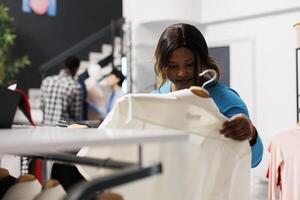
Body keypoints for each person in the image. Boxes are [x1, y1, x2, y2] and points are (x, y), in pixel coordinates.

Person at [153, 23, 263, 168]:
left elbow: (252, 161)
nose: (182, 73)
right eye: (173, 66)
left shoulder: (227, 101)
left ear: (202, 61)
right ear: (163, 66)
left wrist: (251, 134)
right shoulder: (157, 99)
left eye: (190, 64)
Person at [40, 55, 83, 125]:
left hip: (46, 127)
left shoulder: (47, 81)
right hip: (63, 130)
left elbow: (42, 105)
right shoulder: (75, 86)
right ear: (76, 69)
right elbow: (76, 115)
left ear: (64, 66)